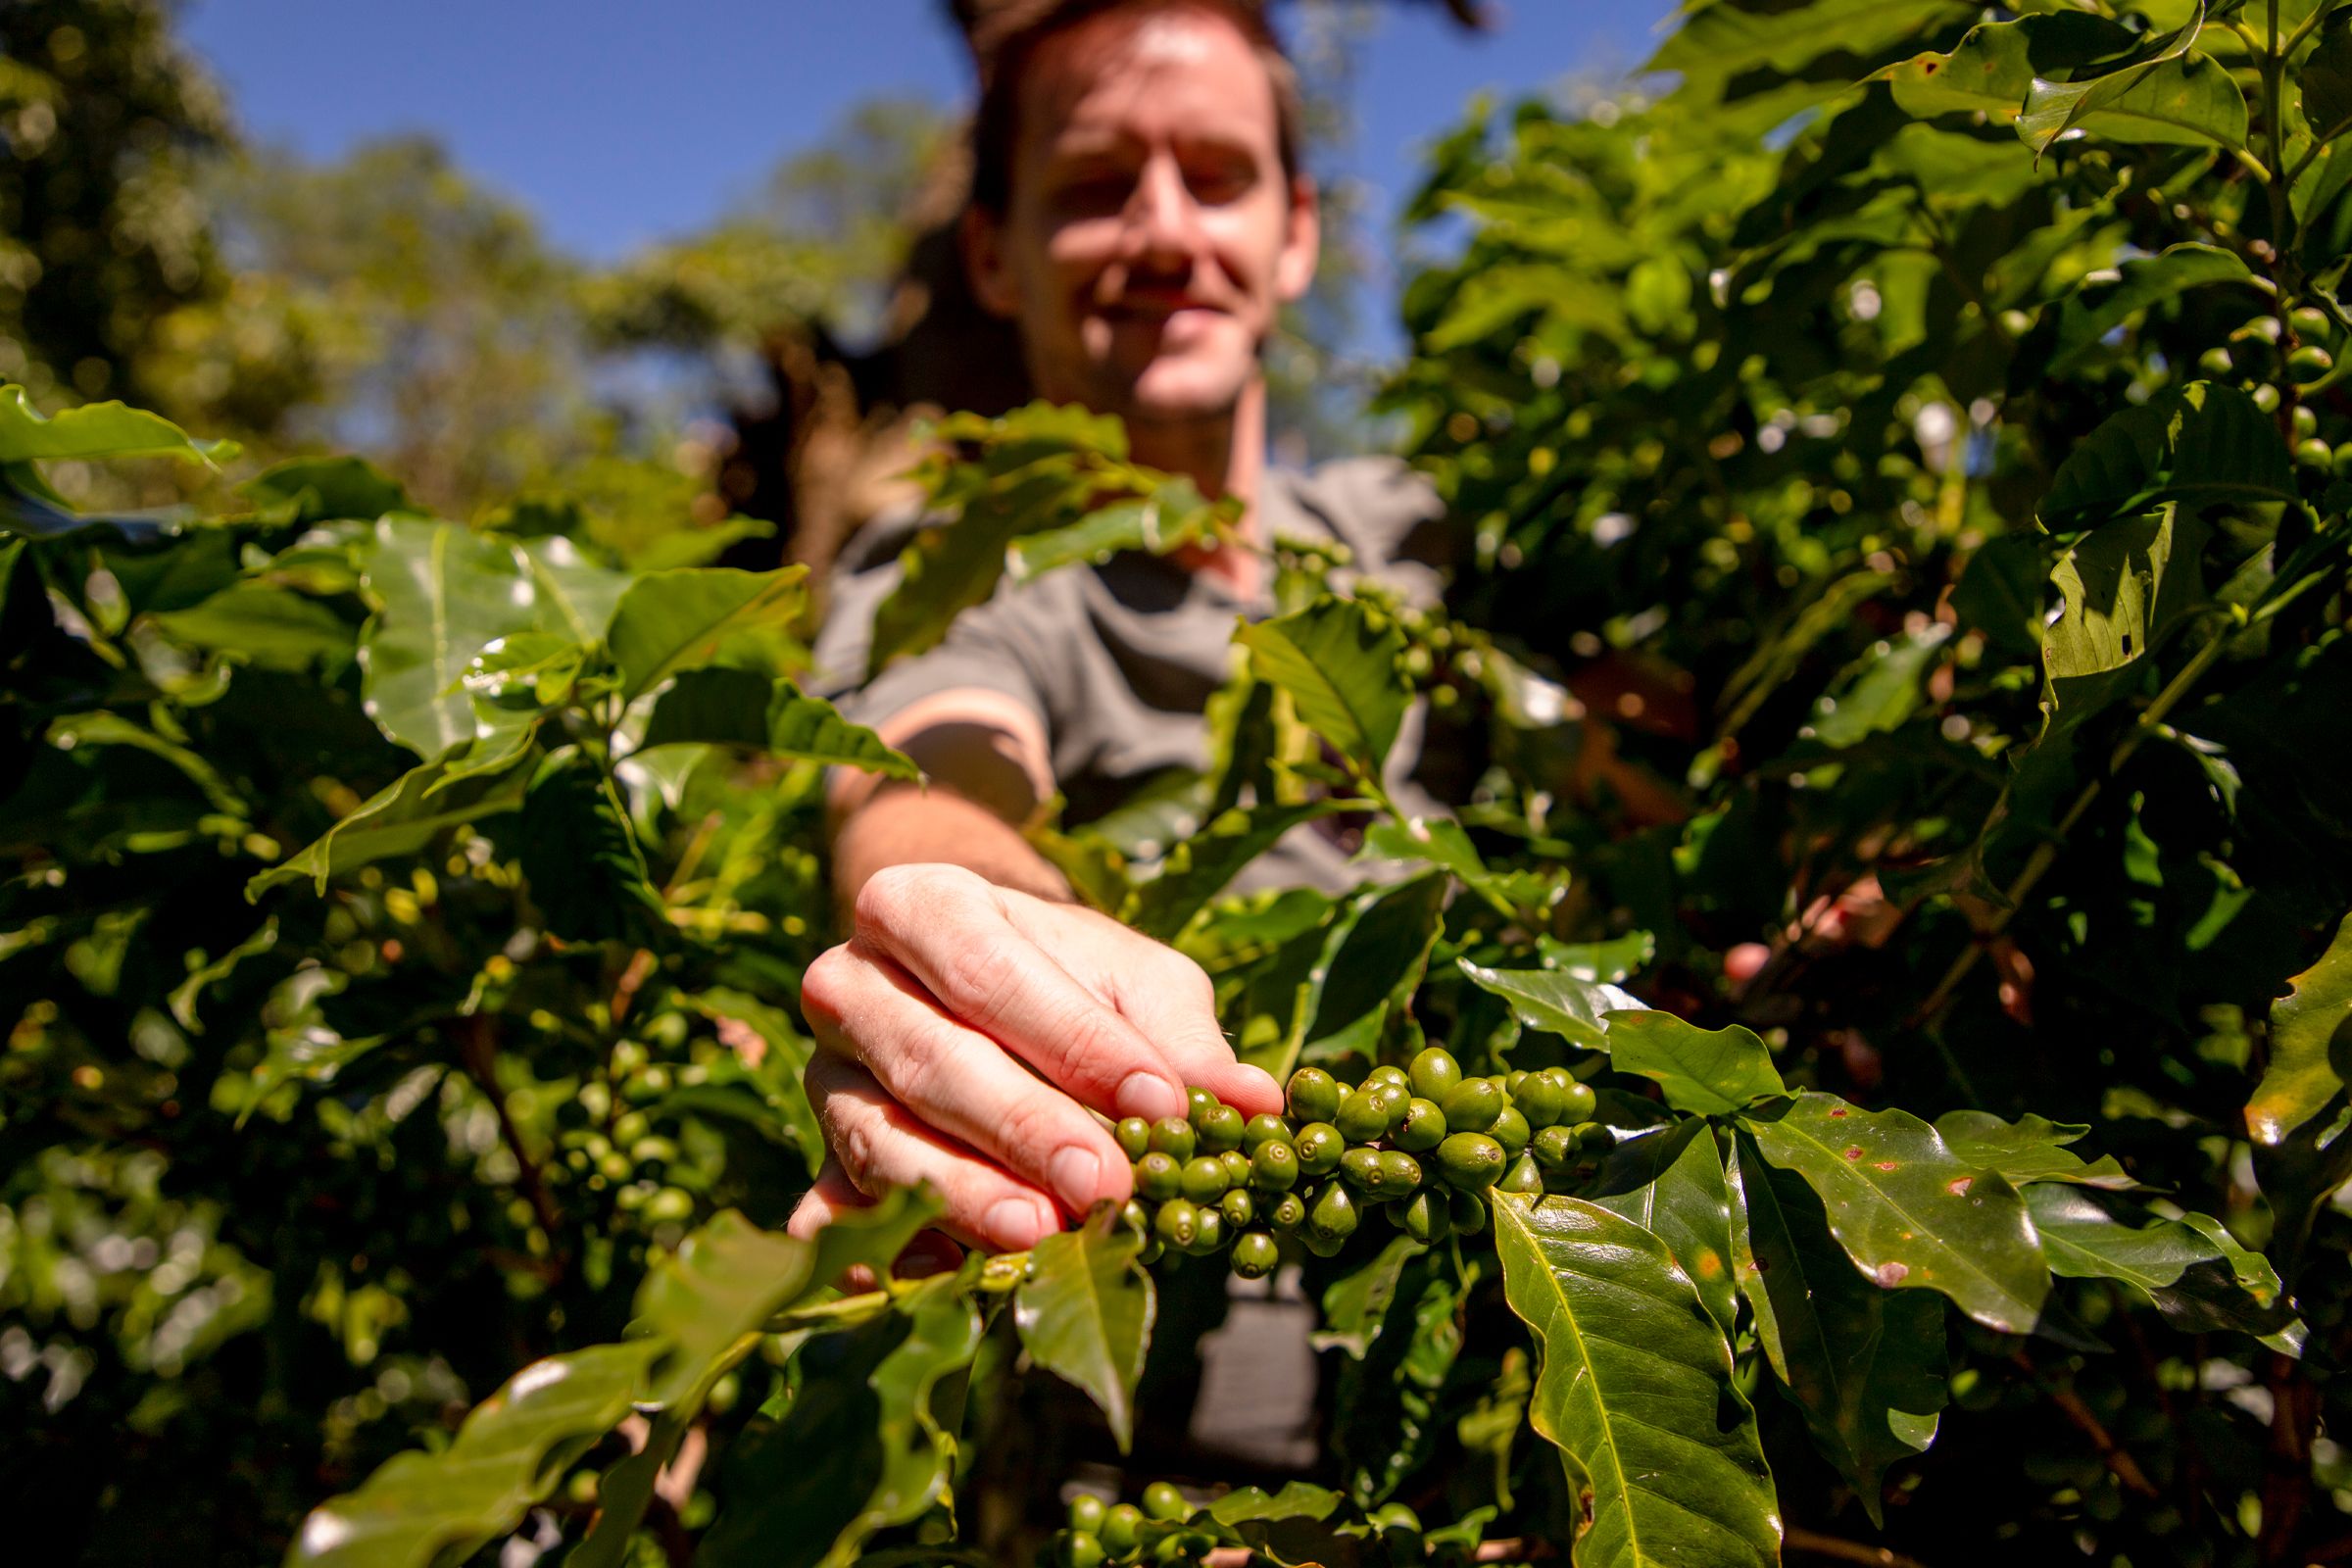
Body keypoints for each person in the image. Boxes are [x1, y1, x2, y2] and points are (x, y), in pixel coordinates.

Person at [789, 0, 1450, 1277]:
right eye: (1096, 186)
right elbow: (926, 760)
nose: (1164, 233)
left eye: (1216, 178)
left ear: (1297, 230)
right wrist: (980, 924)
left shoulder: (1423, 542)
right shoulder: (958, 565)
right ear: (993, 253)